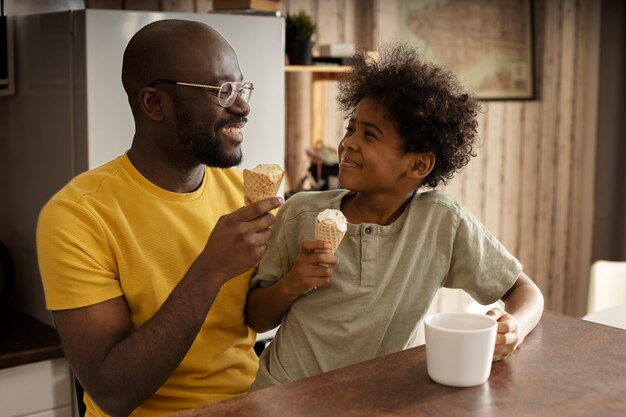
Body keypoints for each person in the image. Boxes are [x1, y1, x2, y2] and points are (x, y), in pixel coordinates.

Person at [245, 44, 545, 390]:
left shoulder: (441, 222)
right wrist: (292, 284)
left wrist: (516, 327)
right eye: (350, 129)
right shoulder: (301, 213)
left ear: (418, 164)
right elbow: (255, 316)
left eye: (369, 135)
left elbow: (525, 290)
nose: (348, 144)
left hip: (383, 397)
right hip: (286, 394)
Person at [36, 20, 282, 417]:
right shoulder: (77, 218)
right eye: (222, 91)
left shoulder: (242, 193)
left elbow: (260, 315)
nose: (242, 106)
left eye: (241, 88)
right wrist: (209, 270)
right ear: (154, 103)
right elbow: (112, 392)